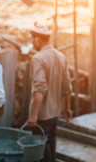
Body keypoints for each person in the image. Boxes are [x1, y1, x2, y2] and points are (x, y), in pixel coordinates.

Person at [26, 22, 73, 162]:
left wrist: (33, 115)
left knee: (40, 152)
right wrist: (67, 108)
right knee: (51, 144)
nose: (31, 42)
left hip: (42, 115)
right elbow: (67, 85)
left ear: (37, 39)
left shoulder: (38, 58)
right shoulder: (61, 56)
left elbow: (40, 89)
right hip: (55, 113)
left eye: (32, 39)